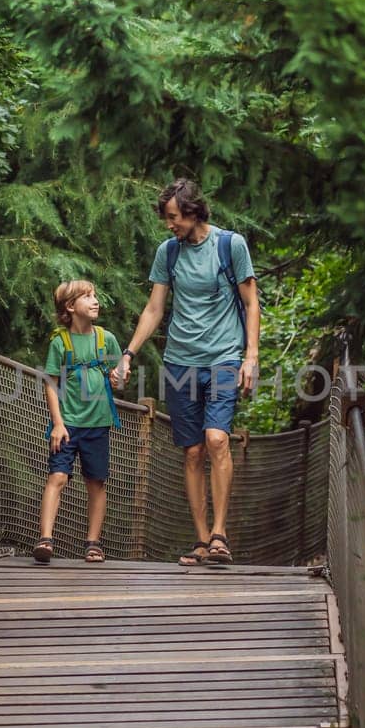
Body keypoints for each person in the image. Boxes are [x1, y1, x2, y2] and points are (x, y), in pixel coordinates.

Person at [113, 178, 260, 566]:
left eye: (174, 217)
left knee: (216, 439)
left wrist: (251, 356)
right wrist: (129, 353)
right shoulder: (169, 253)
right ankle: (201, 540)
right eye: (167, 218)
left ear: (193, 211)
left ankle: (219, 534)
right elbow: (154, 309)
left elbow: (251, 301)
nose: (169, 224)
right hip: (180, 362)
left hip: (225, 357)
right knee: (192, 451)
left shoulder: (231, 245)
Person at [33, 280, 124, 565]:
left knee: (96, 482)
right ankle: (45, 539)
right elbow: (51, 383)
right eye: (87, 297)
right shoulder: (60, 342)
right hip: (68, 425)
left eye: (95, 296)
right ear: (70, 307)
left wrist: (118, 376)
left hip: (98, 424)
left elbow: (117, 375)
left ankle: (93, 543)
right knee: (57, 477)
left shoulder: (105, 339)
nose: (95, 301)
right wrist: (57, 424)